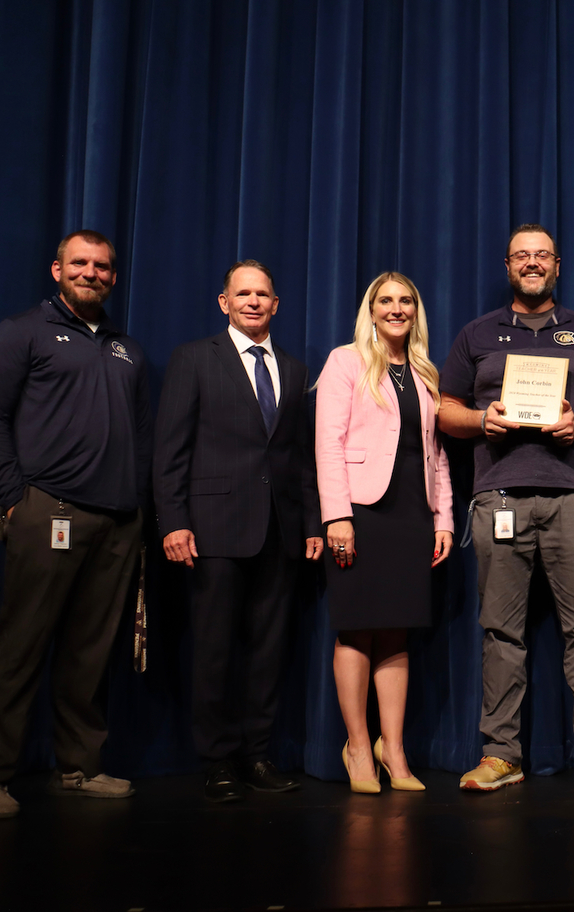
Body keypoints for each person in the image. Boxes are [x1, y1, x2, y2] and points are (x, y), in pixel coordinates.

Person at [0, 230, 149, 819]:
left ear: (113, 277)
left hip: (118, 522)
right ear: (57, 269)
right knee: (21, 643)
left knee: (91, 653)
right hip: (49, 511)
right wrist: (16, 498)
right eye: (80, 263)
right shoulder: (23, 332)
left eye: (102, 266)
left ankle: (82, 767)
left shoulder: (127, 349)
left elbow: (138, 433)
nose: (91, 272)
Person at [439, 224, 574, 792]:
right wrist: (480, 420)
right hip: (497, 496)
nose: (531, 263)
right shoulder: (477, 335)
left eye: (541, 255)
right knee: (501, 631)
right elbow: (444, 410)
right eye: (522, 256)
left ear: (556, 265)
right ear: (507, 266)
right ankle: (502, 754)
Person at [153, 260, 323, 802]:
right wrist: (174, 521)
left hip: (281, 530)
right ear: (224, 303)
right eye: (242, 294)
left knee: (269, 651)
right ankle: (218, 760)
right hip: (212, 529)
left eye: (263, 295)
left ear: (276, 305)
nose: (253, 302)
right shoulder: (193, 359)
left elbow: (301, 459)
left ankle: (257, 754)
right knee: (214, 648)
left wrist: (313, 522)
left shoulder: (295, 371)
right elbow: (170, 450)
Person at [315, 272, 454, 793]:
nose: (396, 309)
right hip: (360, 511)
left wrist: (443, 518)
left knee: (397, 632)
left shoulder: (425, 372)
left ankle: (393, 750)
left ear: (416, 312)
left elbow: (436, 456)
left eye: (406, 301)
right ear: (370, 310)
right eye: (386, 301)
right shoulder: (344, 361)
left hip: (411, 516)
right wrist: (336, 516)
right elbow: (327, 443)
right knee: (356, 628)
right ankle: (357, 746)